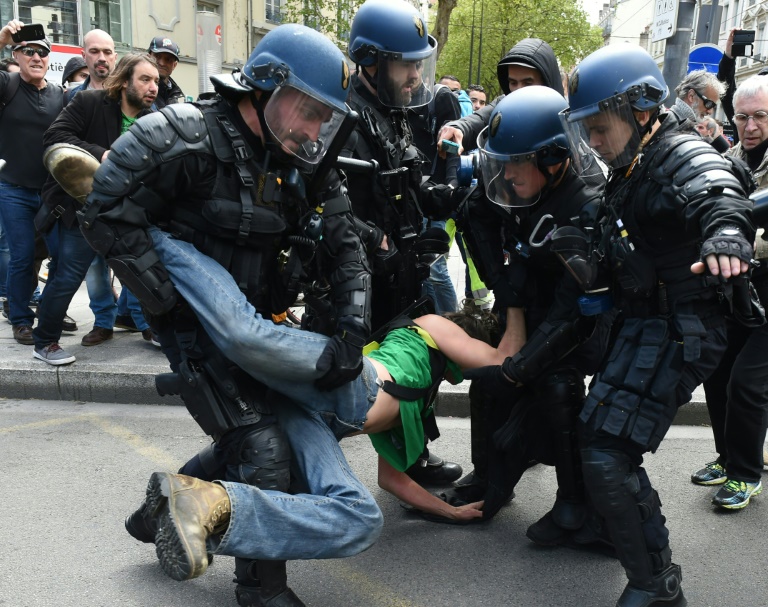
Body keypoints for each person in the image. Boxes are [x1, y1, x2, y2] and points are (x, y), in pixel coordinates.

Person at [80, 24, 372, 607]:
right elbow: (103, 210)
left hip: (261, 321)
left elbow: (347, 249)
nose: (315, 130)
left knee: (270, 430)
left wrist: (350, 332)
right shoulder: (181, 134)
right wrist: (169, 302)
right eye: (308, 112)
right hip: (194, 327)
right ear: (264, 89)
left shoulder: (305, 160)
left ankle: (163, 506)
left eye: (325, 117)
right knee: (262, 446)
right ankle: (261, 590)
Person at [116, 228, 495, 588]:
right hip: (351, 385)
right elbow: (504, 360)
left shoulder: (422, 402)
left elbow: (392, 480)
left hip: (316, 419)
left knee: (361, 521)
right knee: (245, 337)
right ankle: (143, 231)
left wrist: (450, 512)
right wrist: (518, 307)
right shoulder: (431, 326)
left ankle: (180, 510)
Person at [552, 44, 754, 606]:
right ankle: (614, 538)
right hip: (644, 323)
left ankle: (656, 586)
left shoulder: (676, 150)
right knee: (595, 436)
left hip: (682, 326)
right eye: (585, 129)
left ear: (641, 111)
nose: (593, 140)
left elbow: (717, 190)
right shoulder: (631, 164)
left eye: (600, 126)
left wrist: (726, 235)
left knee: (608, 450)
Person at [442, 87, 611, 541]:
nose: (506, 173)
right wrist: (505, 290)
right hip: (529, 295)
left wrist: (521, 368)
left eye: (516, 163)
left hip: (580, 317)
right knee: (487, 381)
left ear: (553, 160)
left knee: (554, 390)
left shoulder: (587, 205)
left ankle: (576, 506)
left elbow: (574, 312)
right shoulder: (520, 179)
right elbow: (474, 212)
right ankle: (486, 479)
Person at [343, 0, 467, 485]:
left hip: (400, 274)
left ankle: (411, 460)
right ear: (371, 62)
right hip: (357, 282)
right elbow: (327, 209)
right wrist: (382, 245)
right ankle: (285, 467)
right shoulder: (344, 120)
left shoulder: (391, 113)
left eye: (419, 63)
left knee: (419, 368)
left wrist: (448, 184)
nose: (416, 75)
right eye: (406, 64)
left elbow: (417, 188)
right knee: (353, 387)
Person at [32, 53, 159, 365]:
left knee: (143, 273)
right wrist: (102, 154)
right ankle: (45, 341)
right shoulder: (90, 102)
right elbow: (55, 137)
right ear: (125, 80)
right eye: (145, 79)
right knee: (67, 277)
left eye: (156, 81)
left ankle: (154, 328)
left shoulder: (153, 118)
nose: (153, 87)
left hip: (124, 213)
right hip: (80, 209)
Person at [689, 74, 768, 510]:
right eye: (741, 116)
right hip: (734, 284)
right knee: (717, 372)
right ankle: (727, 455)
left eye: (760, 116)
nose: (749, 125)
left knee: (748, 383)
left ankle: (745, 473)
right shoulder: (729, 157)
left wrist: (738, 239)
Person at [0, 21, 62, 346]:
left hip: (50, 193)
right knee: (23, 257)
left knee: (61, 257)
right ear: (17, 54)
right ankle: (21, 320)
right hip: (12, 190)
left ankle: (49, 315)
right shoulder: (7, 85)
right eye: (29, 51)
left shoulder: (59, 96)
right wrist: (2, 37)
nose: (37, 57)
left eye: (43, 52)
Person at [147, 36, 185, 108]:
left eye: (168, 59)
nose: (162, 63)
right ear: (148, 58)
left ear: (174, 65)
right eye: (157, 56)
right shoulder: (139, 91)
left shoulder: (178, 98)